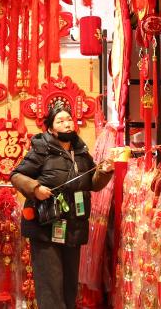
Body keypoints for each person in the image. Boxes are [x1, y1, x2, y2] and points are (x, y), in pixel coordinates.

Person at [10, 100, 114, 308]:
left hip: (74, 227)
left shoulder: (81, 151)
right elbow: (16, 175)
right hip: (45, 227)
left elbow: (92, 184)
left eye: (69, 120)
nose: (67, 124)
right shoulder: (42, 149)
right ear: (51, 128)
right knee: (51, 287)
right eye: (60, 121)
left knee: (69, 288)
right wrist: (35, 189)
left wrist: (105, 172)